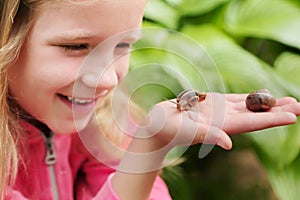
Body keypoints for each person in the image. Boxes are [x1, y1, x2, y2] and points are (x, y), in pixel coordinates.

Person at [1, 0, 300, 199]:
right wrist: (146, 149)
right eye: (76, 46)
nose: (107, 79)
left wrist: (148, 145)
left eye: (122, 45)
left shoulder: (102, 116)